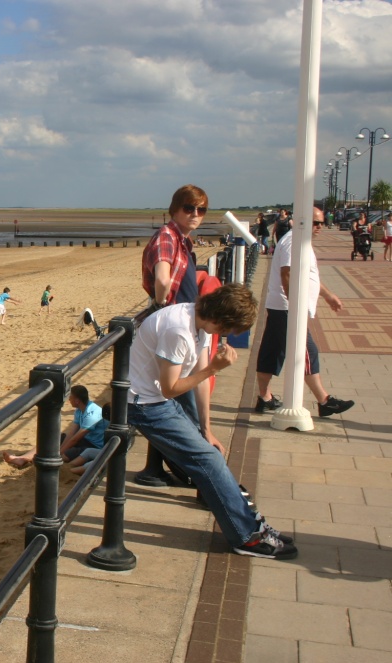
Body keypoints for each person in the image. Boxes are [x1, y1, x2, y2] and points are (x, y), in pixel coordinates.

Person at [128, 283, 297, 559]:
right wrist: (212, 368)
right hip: (143, 405)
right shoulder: (178, 329)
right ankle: (246, 536)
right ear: (219, 319)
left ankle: (251, 525)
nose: (226, 336)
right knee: (208, 460)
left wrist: (207, 429)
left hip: (158, 401)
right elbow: (170, 388)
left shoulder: (199, 323)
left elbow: (199, 381)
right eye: (227, 330)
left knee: (211, 454)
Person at [138, 185, 215, 485]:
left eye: (201, 209)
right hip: (178, 326)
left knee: (173, 402)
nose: (195, 214)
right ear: (174, 210)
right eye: (189, 208)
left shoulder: (181, 239)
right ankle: (201, 476)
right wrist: (162, 305)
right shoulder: (168, 237)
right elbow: (162, 278)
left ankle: (158, 469)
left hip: (185, 323)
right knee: (184, 408)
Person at [254, 207, 355, 418]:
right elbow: (287, 274)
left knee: (272, 351)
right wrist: (295, 306)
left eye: (321, 223)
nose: (320, 227)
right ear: (302, 222)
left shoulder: (301, 242)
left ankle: (264, 397)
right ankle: (324, 400)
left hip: (281, 306)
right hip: (286, 308)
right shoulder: (294, 242)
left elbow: (310, 275)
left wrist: (327, 295)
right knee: (307, 352)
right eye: (315, 223)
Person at [2, 385, 106, 469]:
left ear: (77, 400)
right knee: (54, 440)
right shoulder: (79, 410)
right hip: (85, 440)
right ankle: (24, 458)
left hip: (95, 446)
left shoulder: (92, 414)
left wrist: (59, 453)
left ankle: (42, 463)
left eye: (70, 398)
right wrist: (60, 449)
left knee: (67, 454)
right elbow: (71, 433)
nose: (69, 400)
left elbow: (75, 439)